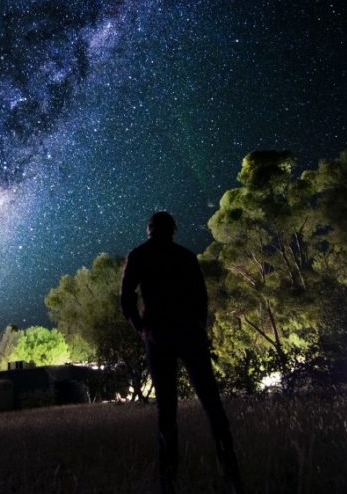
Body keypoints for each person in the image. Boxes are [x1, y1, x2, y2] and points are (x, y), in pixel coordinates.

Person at [120, 211, 244, 494]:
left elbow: (126, 298)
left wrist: (142, 329)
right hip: (189, 334)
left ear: (149, 229)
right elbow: (201, 297)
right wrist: (199, 327)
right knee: (212, 403)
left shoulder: (139, 255)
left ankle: (169, 480)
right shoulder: (186, 256)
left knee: (167, 411)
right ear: (173, 229)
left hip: (158, 338)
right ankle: (231, 474)